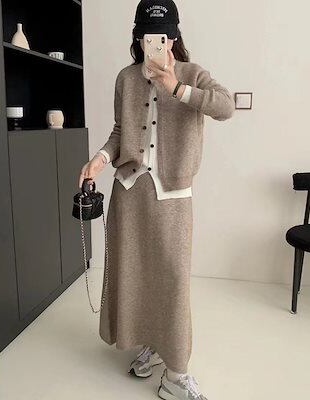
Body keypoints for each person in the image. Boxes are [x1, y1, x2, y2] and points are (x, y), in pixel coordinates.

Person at [79, 1, 234, 398]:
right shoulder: (126, 78)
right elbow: (120, 132)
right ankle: (150, 342)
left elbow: (225, 107)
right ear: (139, 38)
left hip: (174, 196)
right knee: (135, 274)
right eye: (147, 35)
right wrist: (99, 159)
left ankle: (176, 374)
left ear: (174, 37)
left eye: (162, 35)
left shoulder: (193, 74)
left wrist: (176, 88)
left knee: (173, 279)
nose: (155, 42)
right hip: (129, 193)